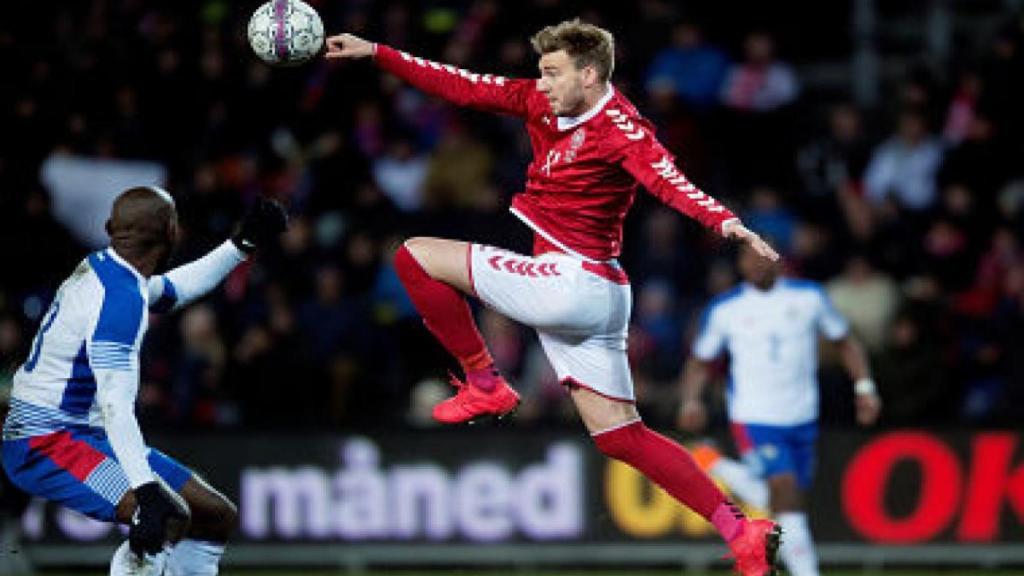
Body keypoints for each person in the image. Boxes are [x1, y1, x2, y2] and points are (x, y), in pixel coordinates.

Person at [326, 19, 782, 575]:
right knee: (623, 438)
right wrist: (377, 52)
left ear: (588, 74)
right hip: (601, 294)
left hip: (572, 284)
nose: (540, 84)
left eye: (551, 73)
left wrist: (728, 223)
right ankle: (741, 531)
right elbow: (462, 83)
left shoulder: (624, 129)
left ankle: (484, 382)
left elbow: (670, 181)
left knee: (413, 255)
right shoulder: (541, 102)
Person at [1, 187, 286, 575]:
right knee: (162, 516)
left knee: (214, 515)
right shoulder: (118, 301)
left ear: (110, 229)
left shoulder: (110, 272)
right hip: (45, 440)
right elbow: (117, 406)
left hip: (78, 431)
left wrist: (241, 245)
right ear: (172, 231)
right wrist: (146, 491)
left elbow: (174, 291)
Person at [677, 245, 882, 576]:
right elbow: (700, 361)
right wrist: (691, 401)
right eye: (749, 257)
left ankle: (712, 463)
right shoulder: (726, 309)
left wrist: (865, 388)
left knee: (782, 502)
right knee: (785, 494)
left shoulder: (809, 298)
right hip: (754, 416)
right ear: (740, 265)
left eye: (763, 256)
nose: (756, 263)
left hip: (802, 417)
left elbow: (846, 342)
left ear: (779, 261)